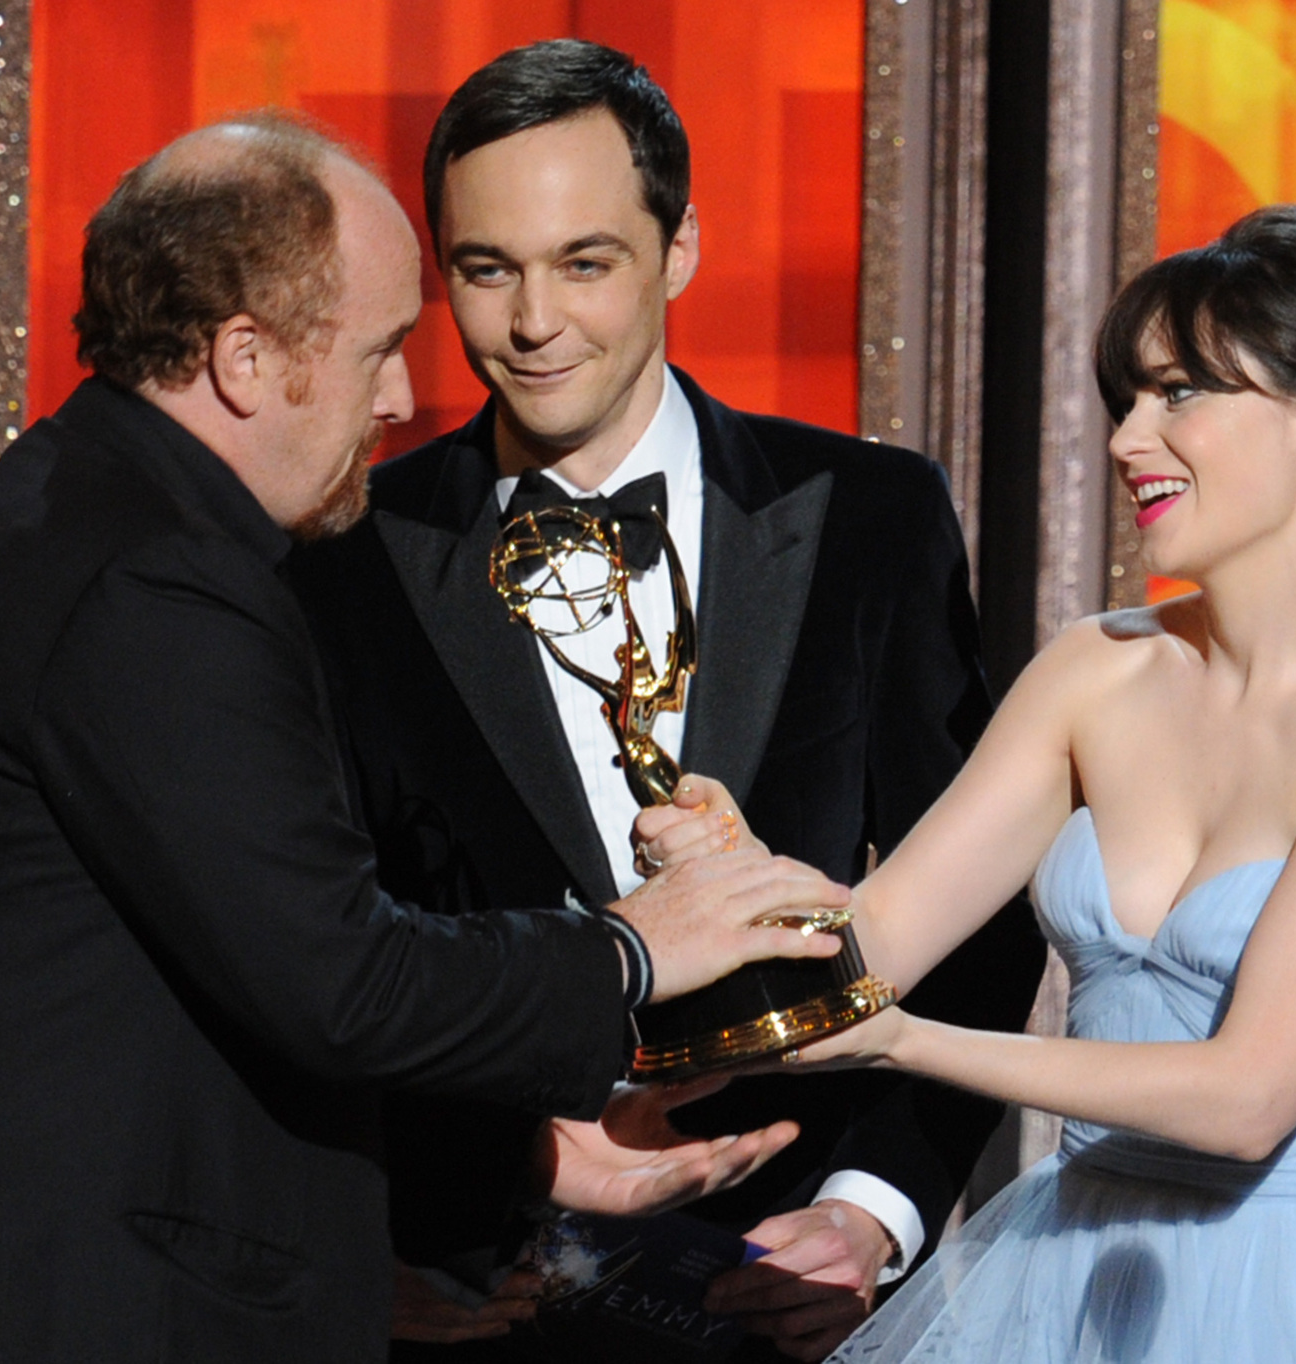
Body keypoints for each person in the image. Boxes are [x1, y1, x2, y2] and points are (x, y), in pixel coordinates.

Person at [0, 114, 854, 1364]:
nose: (399, 397)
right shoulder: (151, 579)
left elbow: (215, 982)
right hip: (47, 1311)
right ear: (242, 357)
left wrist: (522, 1149)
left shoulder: (93, 515)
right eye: (378, 348)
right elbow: (342, 978)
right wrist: (628, 949)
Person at [644, 204, 1296, 1361]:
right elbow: (866, 944)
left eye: (1178, 394)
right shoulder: (1094, 669)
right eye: (1126, 398)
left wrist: (904, 1041)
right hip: (1064, 1276)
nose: (1125, 438)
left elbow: (1246, 1098)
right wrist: (736, 887)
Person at [285, 39, 1042, 1363]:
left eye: (585, 262)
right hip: (468, 1296)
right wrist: (367, 1248)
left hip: (781, 1289)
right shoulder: (339, 557)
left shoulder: (872, 518)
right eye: (486, 269)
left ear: (678, 248)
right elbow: (292, 954)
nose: (533, 323)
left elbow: (984, 915)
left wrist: (870, 1214)